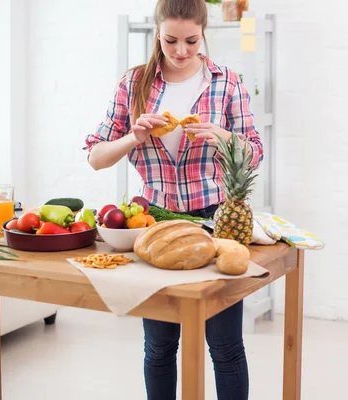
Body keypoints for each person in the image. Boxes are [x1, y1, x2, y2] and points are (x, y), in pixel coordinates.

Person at [84, 0, 263, 398]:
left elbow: (255, 151)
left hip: (217, 224)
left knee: (225, 346)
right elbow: (96, 156)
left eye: (191, 41)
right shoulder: (133, 84)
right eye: (170, 41)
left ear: (204, 32)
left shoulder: (227, 82)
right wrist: (135, 136)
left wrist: (224, 137)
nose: (181, 51)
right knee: (160, 346)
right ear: (156, 33)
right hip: (155, 225)